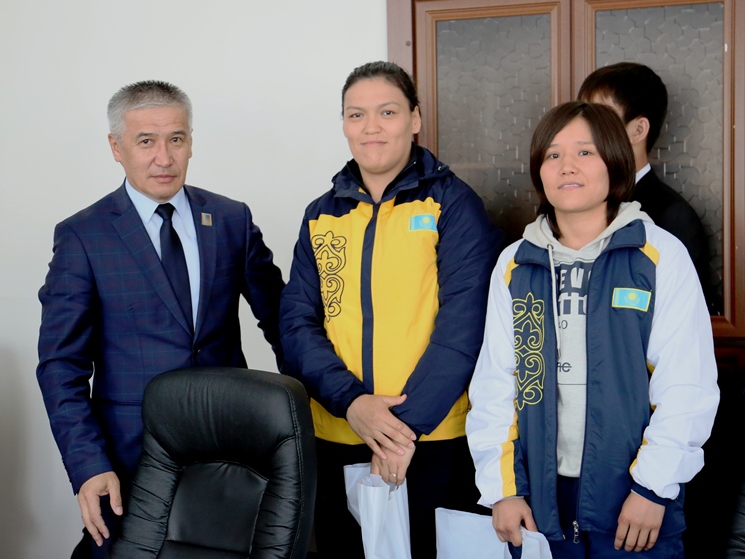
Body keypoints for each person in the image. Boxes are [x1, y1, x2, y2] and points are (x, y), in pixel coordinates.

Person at [37, 80, 284, 558]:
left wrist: (321, 409)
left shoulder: (230, 219)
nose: (164, 158)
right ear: (117, 148)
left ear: (191, 141)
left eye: (176, 139)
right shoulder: (83, 236)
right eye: (146, 141)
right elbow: (60, 366)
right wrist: (88, 464)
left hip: (228, 448)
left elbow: (282, 324)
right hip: (129, 457)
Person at [466, 101, 719, 558]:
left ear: (615, 162)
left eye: (585, 152)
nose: (567, 166)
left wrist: (653, 488)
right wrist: (503, 490)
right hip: (538, 501)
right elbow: (495, 385)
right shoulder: (515, 264)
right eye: (553, 155)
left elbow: (687, 385)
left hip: (633, 499)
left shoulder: (658, 254)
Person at [280, 61, 503, 558]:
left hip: (432, 440)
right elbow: (297, 324)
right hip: (338, 433)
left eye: (387, 112)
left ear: (415, 118)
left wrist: (402, 432)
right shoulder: (321, 214)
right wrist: (352, 404)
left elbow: (465, 326)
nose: (371, 127)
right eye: (356, 114)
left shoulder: (453, 204)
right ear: (343, 124)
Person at [577, 62, 714, 311]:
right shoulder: (574, 204)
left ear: (638, 130)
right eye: (584, 115)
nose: (583, 129)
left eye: (601, 117)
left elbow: (686, 316)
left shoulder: (672, 217)